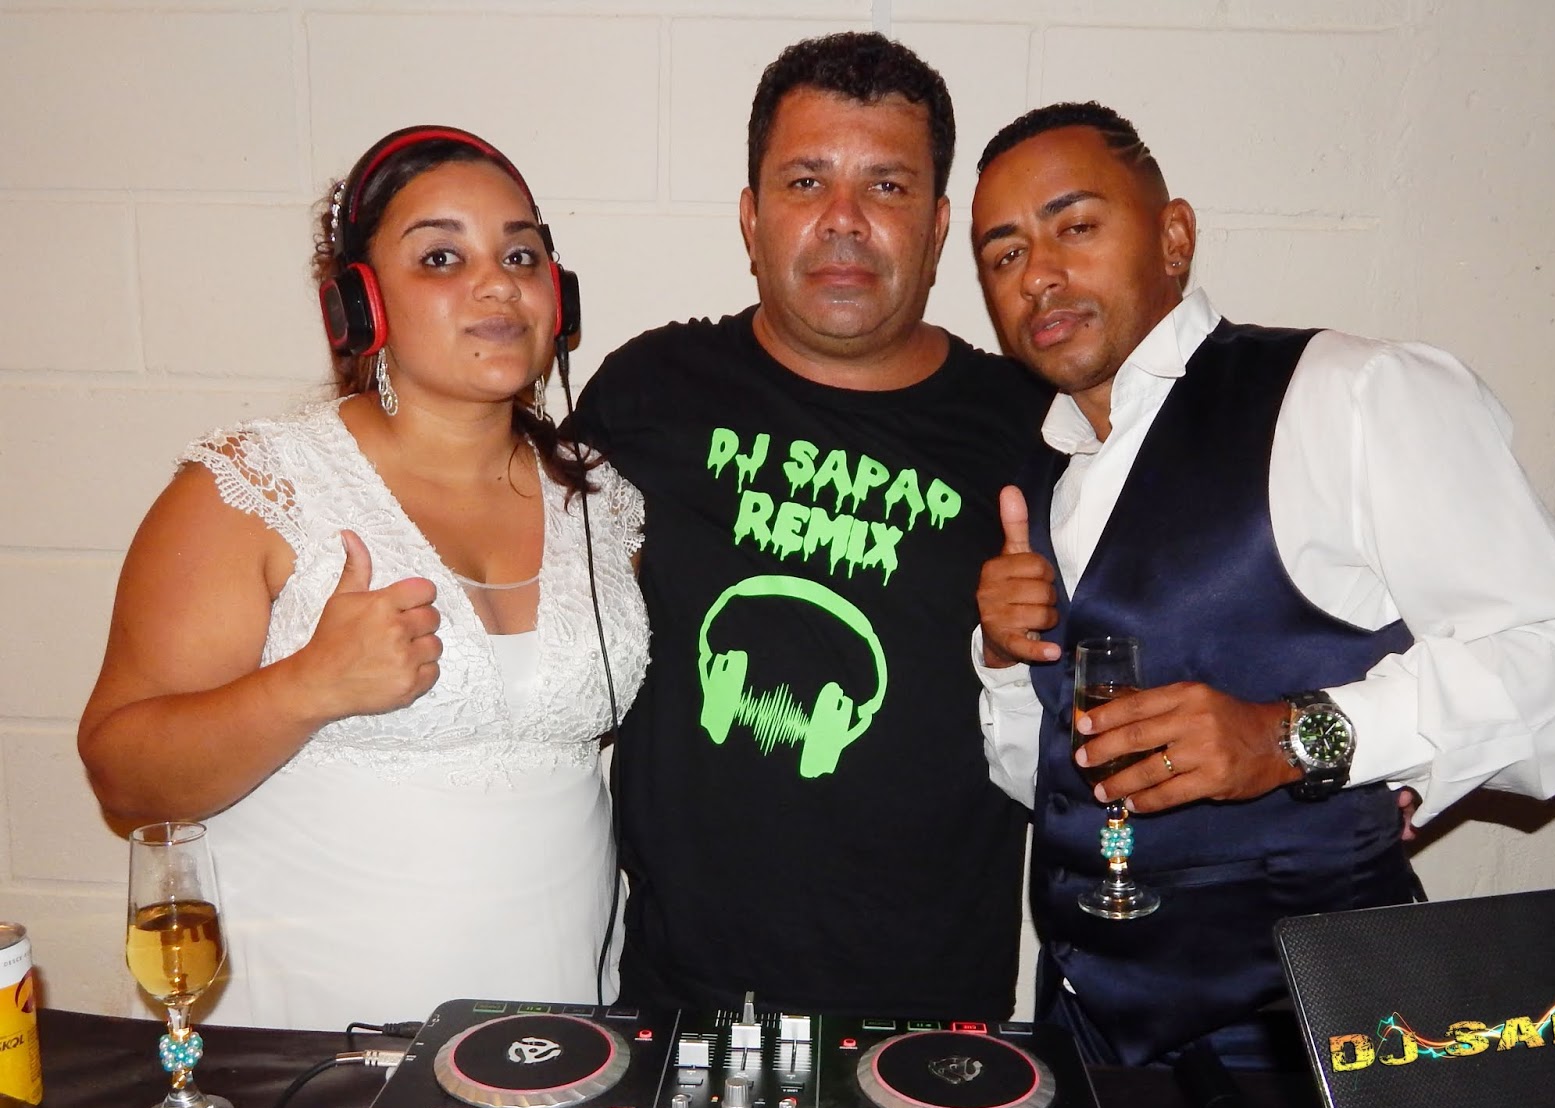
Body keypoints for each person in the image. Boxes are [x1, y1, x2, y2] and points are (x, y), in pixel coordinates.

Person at [971, 102, 1555, 1068]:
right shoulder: (1042, 477)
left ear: (1174, 237)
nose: (1039, 274)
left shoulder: (1349, 393)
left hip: (1310, 1044)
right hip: (1086, 1042)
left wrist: (1294, 736)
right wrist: (1006, 662)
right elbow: (1046, 786)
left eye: (1077, 226)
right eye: (1005, 253)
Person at [78, 126, 649, 1031]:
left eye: (520, 255)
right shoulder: (252, 489)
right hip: (308, 1051)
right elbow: (123, 775)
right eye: (441, 257)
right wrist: (307, 686)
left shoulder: (603, 500)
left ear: (559, 297)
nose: (497, 283)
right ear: (360, 306)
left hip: (551, 1040)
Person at [572, 33, 1053, 1019]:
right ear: (752, 218)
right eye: (805, 182)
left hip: (930, 1010)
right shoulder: (651, 391)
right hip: (677, 992)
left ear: (936, 226)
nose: (844, 220)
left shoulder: (1027, 425)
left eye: (886, 186)